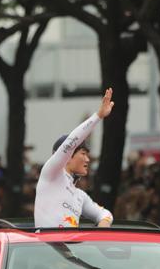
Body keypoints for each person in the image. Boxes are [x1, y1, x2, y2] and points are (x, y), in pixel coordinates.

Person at [34, 88, 115, 228]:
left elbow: (105, 214)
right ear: (67, 156)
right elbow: (72, 141)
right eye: (83, 154)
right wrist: (98, 116)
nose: (87, 160)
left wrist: (102, 232)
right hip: (44, 249)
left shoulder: (80, 196)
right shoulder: (51, 174)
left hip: (70, 250)